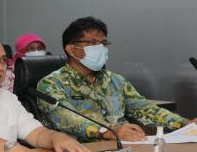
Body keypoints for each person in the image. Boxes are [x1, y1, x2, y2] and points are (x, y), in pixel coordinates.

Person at [37, 16, 197, 142]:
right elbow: (66, 119)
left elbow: (144, 109)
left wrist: (183, 124)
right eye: (93, 42)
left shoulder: (115, 80)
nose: (101, 48)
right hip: (79, 151)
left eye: (104, 43)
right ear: (71, 49)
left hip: (126, 146)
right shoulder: (51, 84)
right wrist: (108, 132)